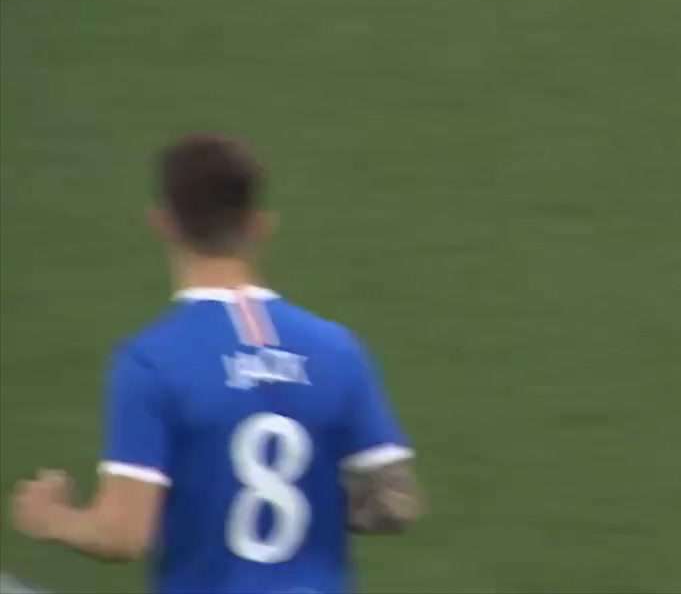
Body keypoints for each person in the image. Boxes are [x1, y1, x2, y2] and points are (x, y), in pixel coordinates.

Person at [10, 134, 422, 594]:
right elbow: (394, 503)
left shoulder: (151, 360)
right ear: (260, 224)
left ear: (163, 223)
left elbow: (122, 535)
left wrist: (52, 519)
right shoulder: (338, 349)